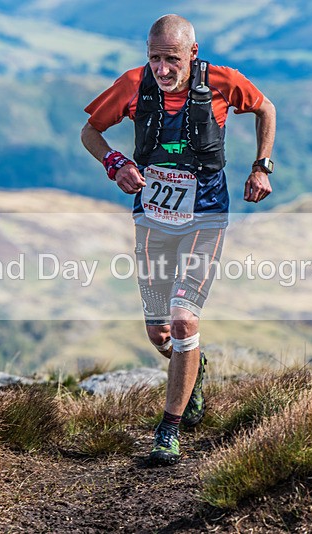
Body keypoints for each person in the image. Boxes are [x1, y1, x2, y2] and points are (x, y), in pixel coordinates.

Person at [81, 14, 276, 465]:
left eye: (172, 59)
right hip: (152, 220)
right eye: (154, 59)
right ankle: (193, 366)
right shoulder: (132, 84)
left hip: (205, 218)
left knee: (185, 320)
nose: (162, 70)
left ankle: (168, 430)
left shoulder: (224, 82)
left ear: (193, 52)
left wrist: (261, 166)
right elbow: (91, 131)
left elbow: (266, 108)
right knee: (160, 331)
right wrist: (115, 163)